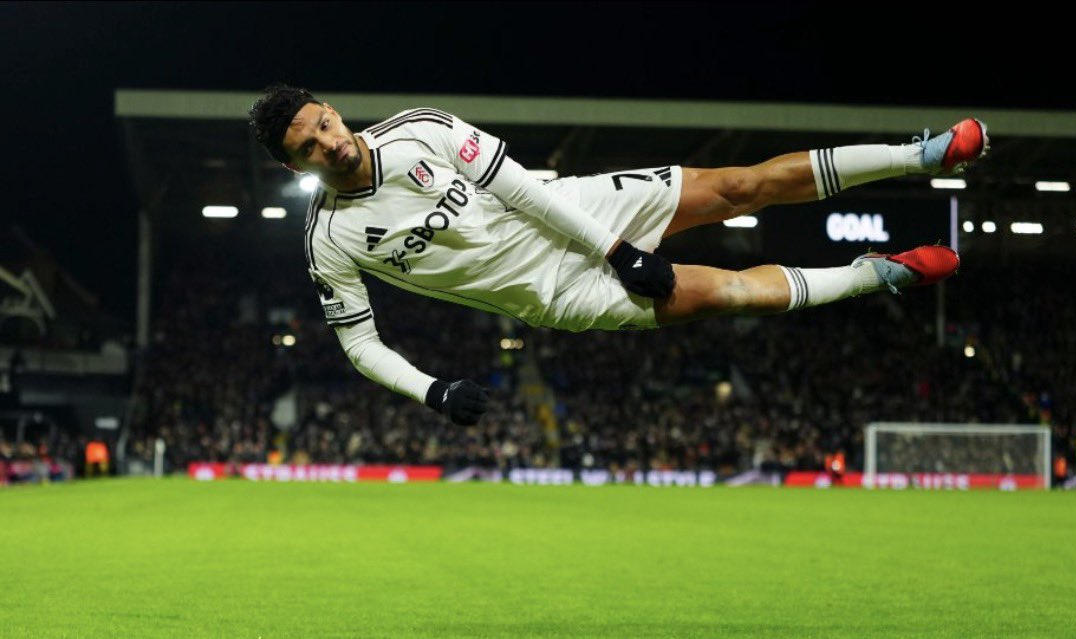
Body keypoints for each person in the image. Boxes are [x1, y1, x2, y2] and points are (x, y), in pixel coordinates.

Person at [248, 84, 988, 426]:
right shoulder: (330, 238)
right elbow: (360, 344)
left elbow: (520, 188)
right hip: (556, 293)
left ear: (332, 111)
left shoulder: (421, 130)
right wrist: (431, 389)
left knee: (741, 185)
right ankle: (878, 273)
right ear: (296, 168)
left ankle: (919, 154)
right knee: (729, 294)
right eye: (307, 148)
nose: (327, 142)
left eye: (322, 124)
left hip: (579, 210)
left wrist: (618, 245)